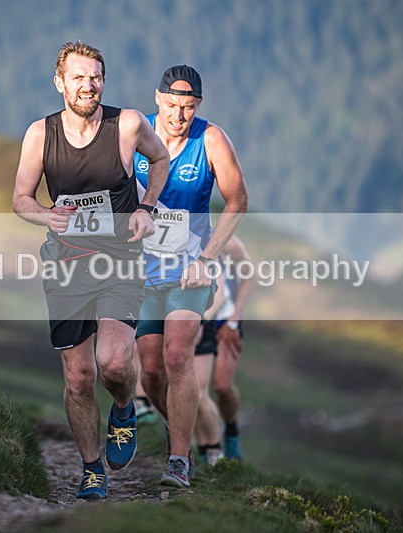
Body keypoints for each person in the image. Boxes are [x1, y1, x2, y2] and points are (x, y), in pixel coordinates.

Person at [12, 41, 170, 500]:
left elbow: (159, 159)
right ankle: (91, 470)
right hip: (65, 265)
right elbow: (20, 199)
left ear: (105, 80)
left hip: (119, 260)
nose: (89, 85)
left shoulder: (129, 125)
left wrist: (146, 207)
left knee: (114, 362)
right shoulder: (40, 135)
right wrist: (47, 215)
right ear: (59, 82)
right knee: (78, 376)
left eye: (96, 76)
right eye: (79, 77)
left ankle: (123, 406)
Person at [133, 65, 248, 488]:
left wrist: (206, 256)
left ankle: (179, 461)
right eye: (172, 106)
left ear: (197, 105)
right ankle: (177, 428)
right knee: (152, 371)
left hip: (189, 275)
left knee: (178, 356)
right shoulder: (135, 131)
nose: (179, 116)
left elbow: (238, 200)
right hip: (141, 273)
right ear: (157, 98)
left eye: (188, 107)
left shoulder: (211, 139)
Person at [193, 235, 256, 464]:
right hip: (198, 317)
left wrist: (235, 318)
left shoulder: (229, 243)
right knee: (197, 390)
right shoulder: (179, 234)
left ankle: (231, 432)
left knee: (222, 386)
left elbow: (249, 277)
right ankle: (206, 447)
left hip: (224, 319)